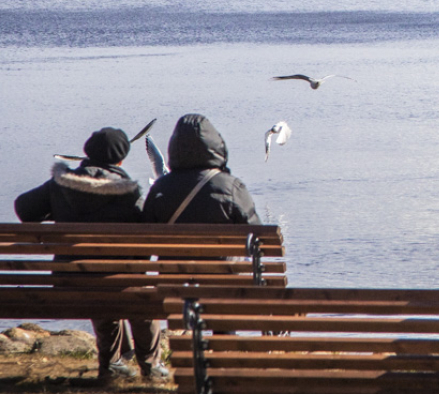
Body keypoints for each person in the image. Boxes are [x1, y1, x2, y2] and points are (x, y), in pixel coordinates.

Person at [14, 127, 166, 382]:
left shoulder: (59, 185)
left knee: (99, 283)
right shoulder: (130, 194)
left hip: (70, 281)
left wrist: (59, 210)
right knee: (132, 289)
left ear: (87, 153)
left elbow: (24, 209)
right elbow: (147, 239)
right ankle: (151, 367)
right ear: (120, 160)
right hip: (118, 281)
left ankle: (113, 365)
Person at [143, 114, 260, 225]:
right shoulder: (232, 188)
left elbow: (144, 231)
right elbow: (257, 234)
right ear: (216, 145)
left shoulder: (159, 189)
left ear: (174, 146)